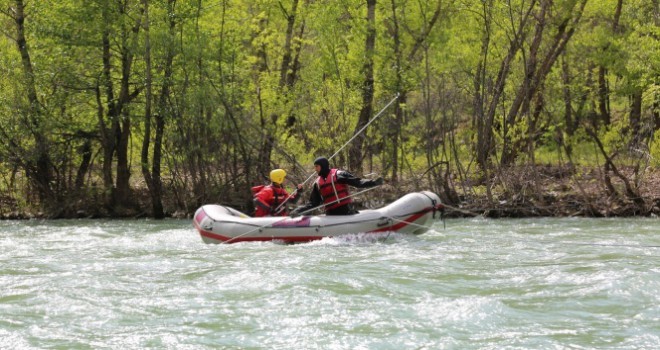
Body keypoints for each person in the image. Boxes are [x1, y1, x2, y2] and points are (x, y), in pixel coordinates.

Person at [290, 157, 383, 216]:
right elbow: (313, 203)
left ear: (322, 166)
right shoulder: (317, 183)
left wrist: (374, 182)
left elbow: (358, 182)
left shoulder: (339, 175)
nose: (315, 169)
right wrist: (299, 210)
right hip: (330, 214)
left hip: (346, 211)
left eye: (317, 166)